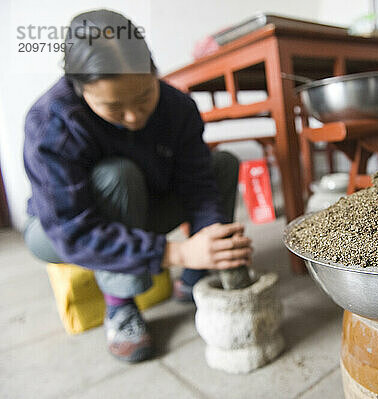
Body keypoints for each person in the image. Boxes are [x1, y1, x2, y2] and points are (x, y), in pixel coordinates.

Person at [22, 9, 252, 363]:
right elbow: (70, 230)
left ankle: (195, 278)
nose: (134, 117)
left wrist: (216, 243)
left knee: (221, 165)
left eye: (145, 96)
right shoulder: (53, 122)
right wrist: (174, 253)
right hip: (60, 231)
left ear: (154, 71)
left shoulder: (178, 108)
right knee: (118, 175)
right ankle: (120, 306)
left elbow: (197, 184)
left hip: (142, 207)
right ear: (80, 89)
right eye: (114, 107)